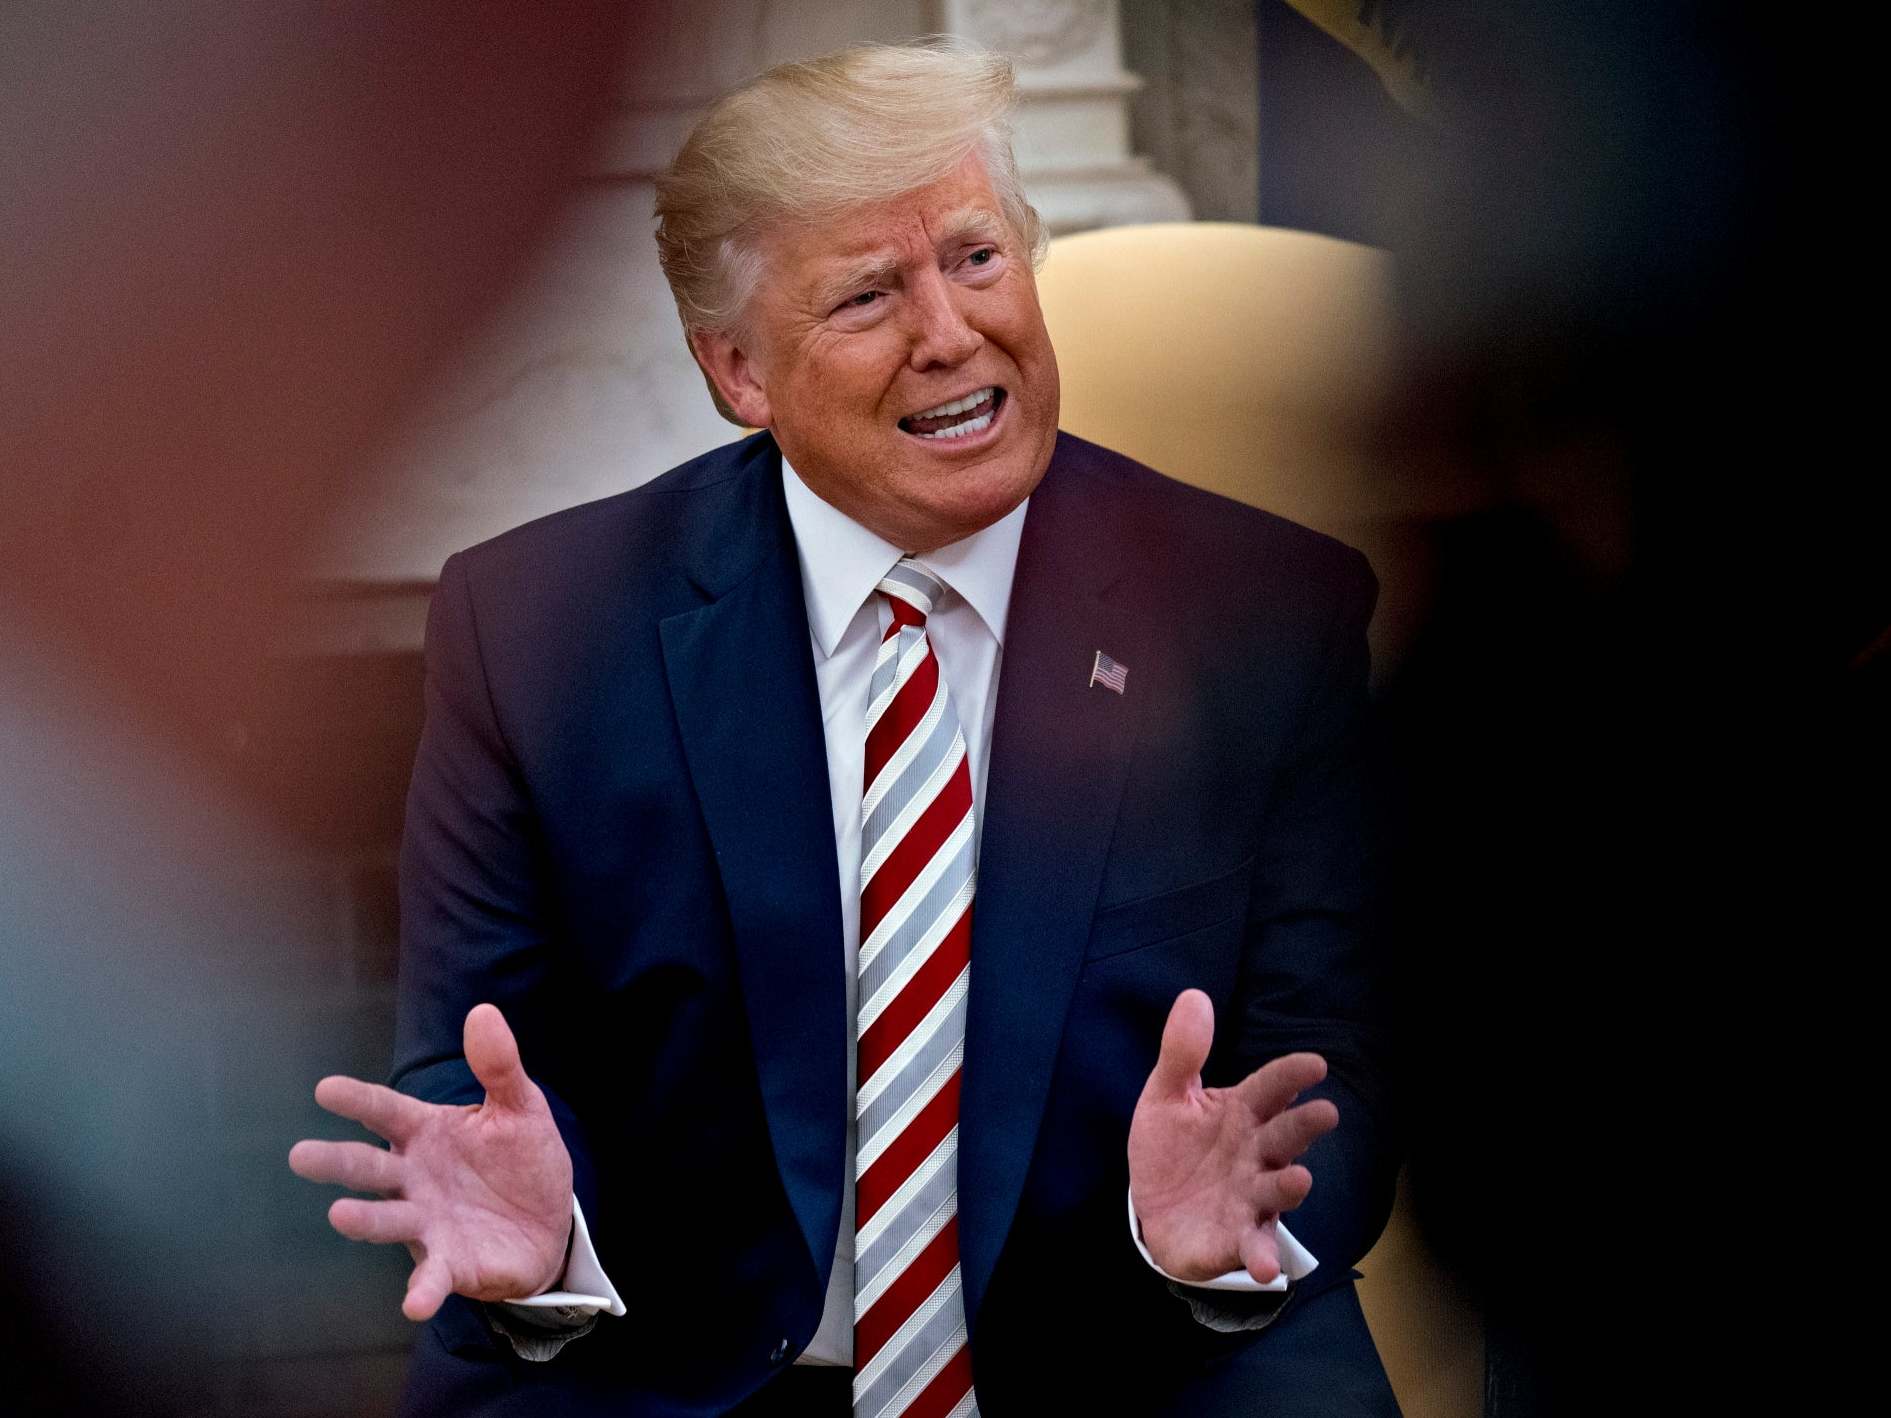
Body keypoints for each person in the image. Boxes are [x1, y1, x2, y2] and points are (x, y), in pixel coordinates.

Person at [290, 40, 1398, 1417]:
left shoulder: (1262, 614)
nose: (950, 331)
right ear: (738, 372)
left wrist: (1227, 1228)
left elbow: (1335, 1065)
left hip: (1138, 1346)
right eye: (869, 294)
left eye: (979, 258)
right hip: (696, 1368)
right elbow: (475, 1073)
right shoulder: (536, 632)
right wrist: (547, 1242)